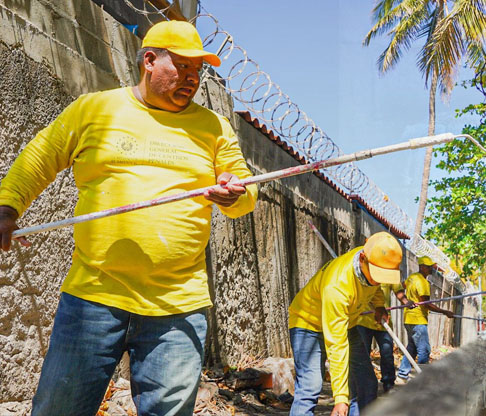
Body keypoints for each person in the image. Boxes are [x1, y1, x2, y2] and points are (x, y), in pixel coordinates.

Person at [0, 21, 257, 415]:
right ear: (150, 61)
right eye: (183, 67)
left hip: (178, 305)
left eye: (197, 71)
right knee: (59, 409)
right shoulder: (95, 109)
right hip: (94, 296)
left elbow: (245, 195)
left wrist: (234, 192)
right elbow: (38, 159)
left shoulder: (214, 128)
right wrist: (7, 207)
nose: (192, 78)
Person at [288, 231, 403, 416]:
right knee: (310, 388)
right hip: (308, 323)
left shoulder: (372, 259)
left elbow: (375, 288)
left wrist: (380, 305)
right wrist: (340, 398)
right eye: (378, 275)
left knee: (366, 383)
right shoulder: (337, 287)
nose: (380, 280)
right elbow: (337, 345)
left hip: (347, 322)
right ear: (363, 259)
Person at [396, 256, 454, 381]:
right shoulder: (422, 282)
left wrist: (408, 300)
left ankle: (402, 373)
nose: (431, 269)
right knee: (424, 350)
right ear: (421, 266)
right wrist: (444, 311)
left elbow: (402, 286)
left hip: (408, 319)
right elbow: (426, 304)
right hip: (418, 320)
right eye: (428, 267)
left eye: (431, 267)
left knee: (411, 347)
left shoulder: (412, 278)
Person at [355, 282, 412, 393]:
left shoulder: (389, 275)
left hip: (383, 322)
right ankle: (362, 385)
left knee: (387, 353)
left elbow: (398, 291)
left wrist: (406, 302)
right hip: (363, 321)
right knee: (363, 354)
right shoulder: (365, 275)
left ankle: (388, 383)